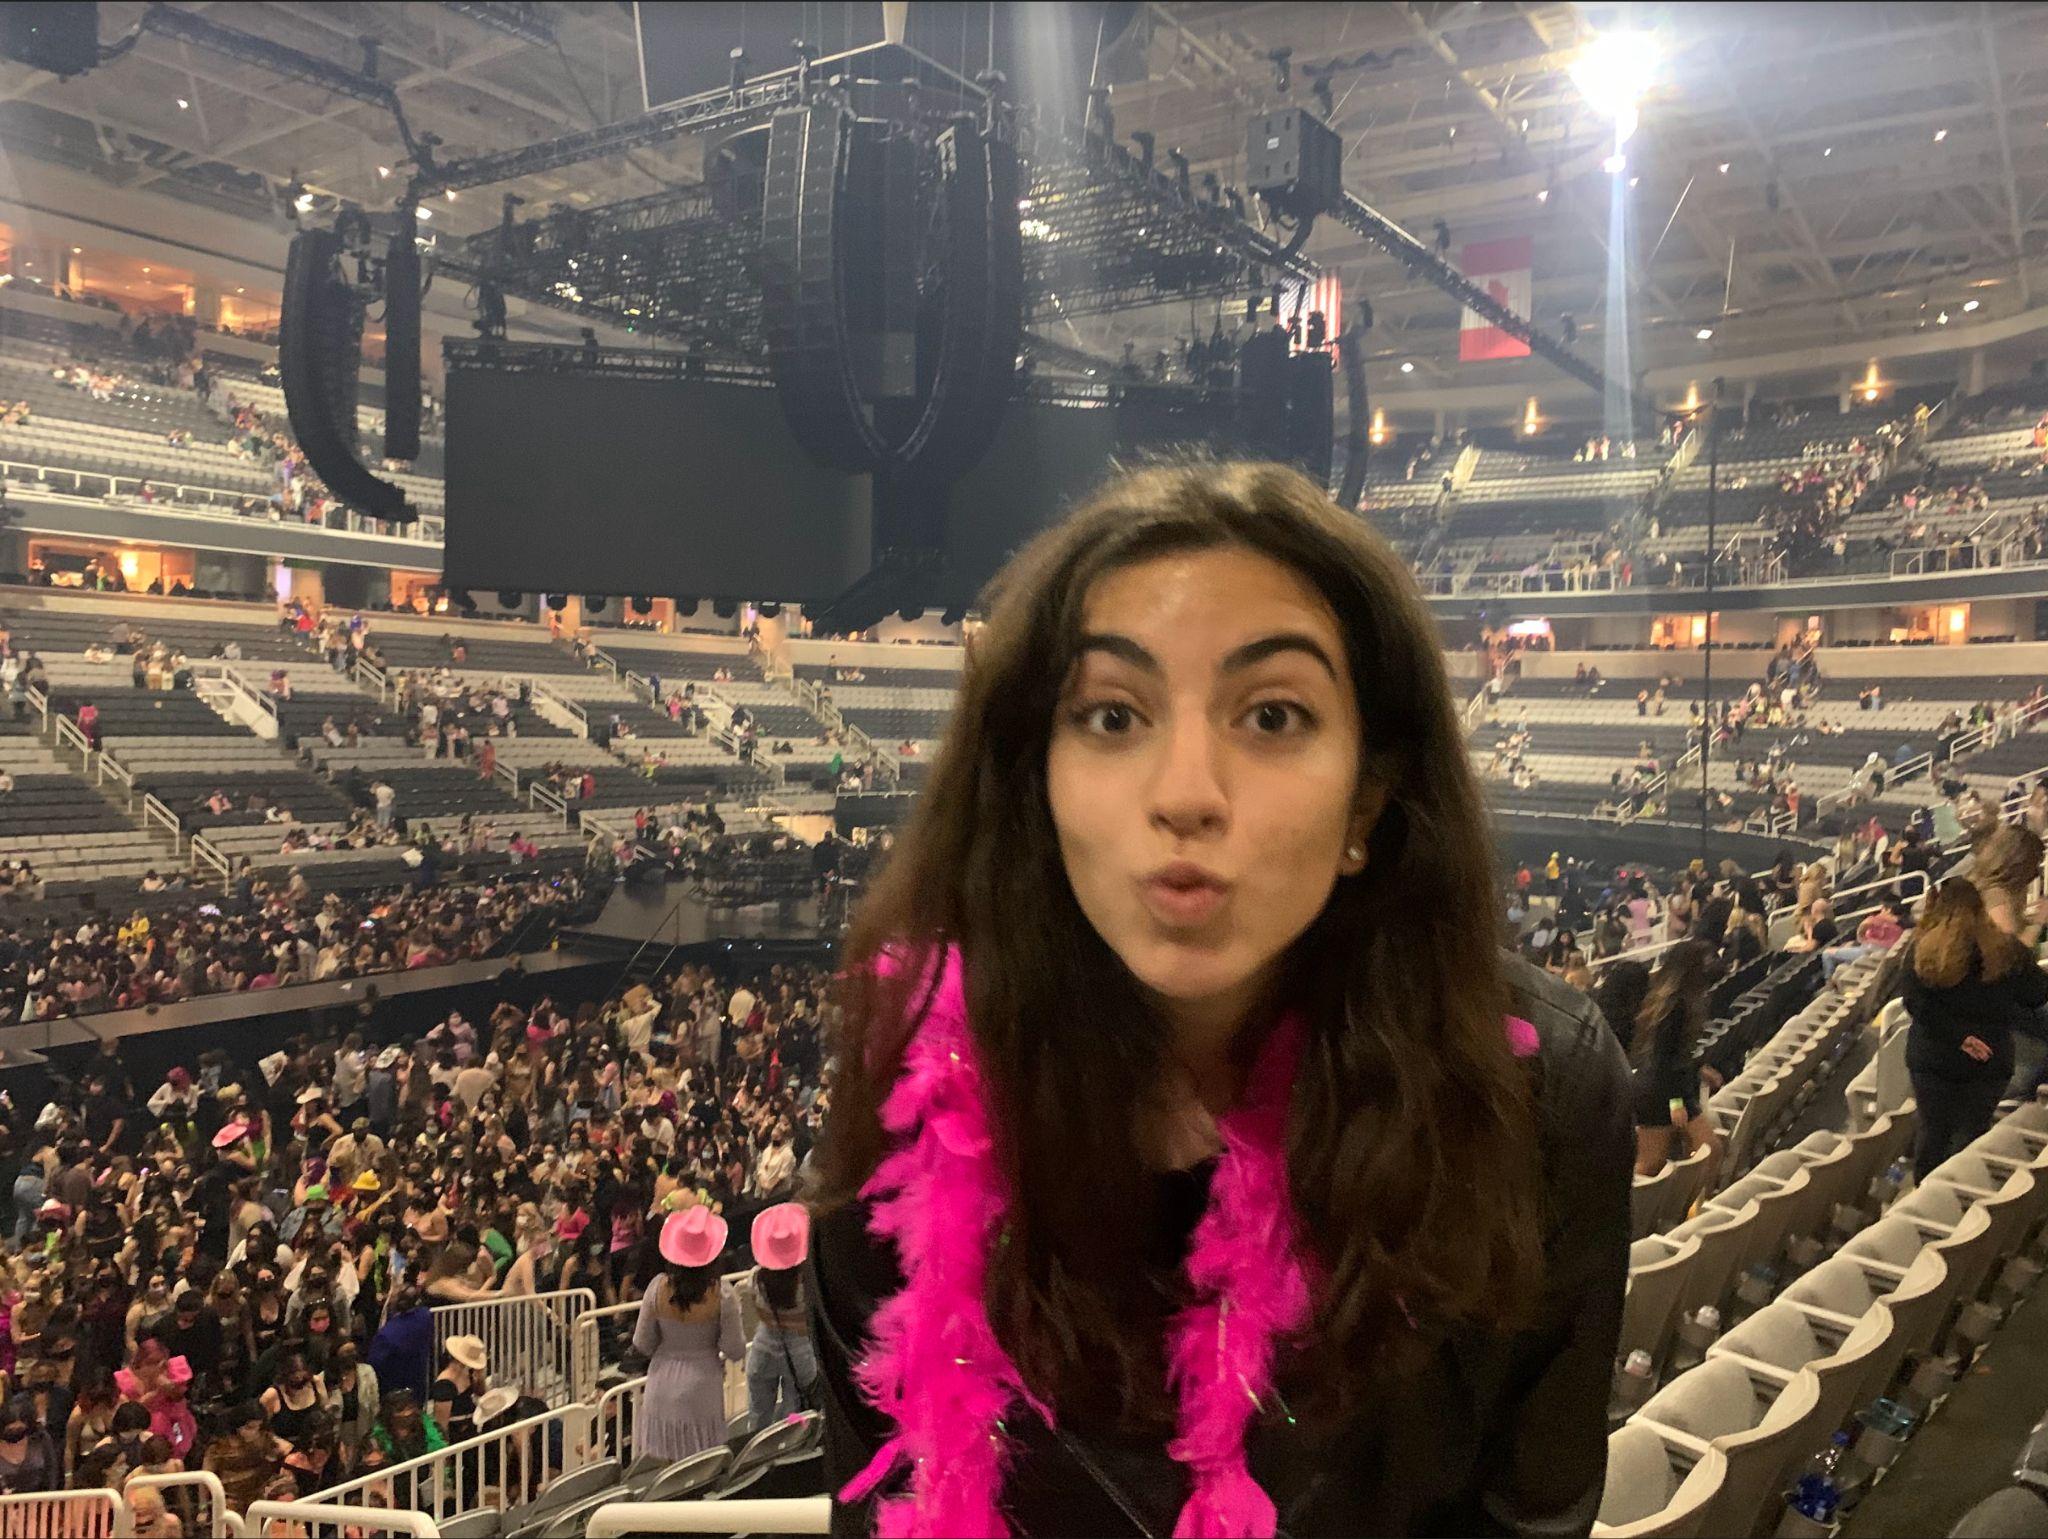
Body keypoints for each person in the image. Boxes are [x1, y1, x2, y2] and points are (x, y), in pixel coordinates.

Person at [810, 461, 1633, 1537]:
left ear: (1368, 797)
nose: (1186, 793)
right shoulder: (909, 1088)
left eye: (1273, 715)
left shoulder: (1539, 1100)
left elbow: (1530, 1515)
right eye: (1112, 715)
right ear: (1034, 779)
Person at [1903, 879, 2048, 1181]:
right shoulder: (2006, 950)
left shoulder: (1921, 947)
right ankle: (1961, 1194)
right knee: (1971, 1137)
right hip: (1990, 1059)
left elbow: (1916, 1004)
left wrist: (1960, 1038)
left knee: (1933, 1133)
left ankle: (1925, 1193)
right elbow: (2036, 993)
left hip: (1934, 1057)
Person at [632, 1206, 743, 1462]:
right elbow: (735, 1349)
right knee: (702, 1466)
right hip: (703, 1388)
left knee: (667, 1470)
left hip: (660, 1385)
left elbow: (642, 1343)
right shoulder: (723, 1294)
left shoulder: (656, 1288)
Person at [745, 1203, 816, 1431]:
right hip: (801, 1353)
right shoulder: (807, 1283)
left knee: (758, 1415)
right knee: (795, 1415)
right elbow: (808, 1320)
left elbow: (760, 1314)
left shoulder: (756, 1279)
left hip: (763, 1347)